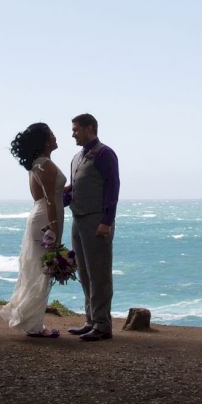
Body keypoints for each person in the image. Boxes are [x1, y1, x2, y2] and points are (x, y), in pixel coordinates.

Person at [0, 122, 67, 338]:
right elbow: (49, 200)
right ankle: (34, 325)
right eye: (51, 135)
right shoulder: (44, 164)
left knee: (39, 269)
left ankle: (31, 319)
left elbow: (52, 195)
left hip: (42, 216)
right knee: (42, 271)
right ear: (45, 141)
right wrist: (54, 229)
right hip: (46, 219)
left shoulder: (38, 164)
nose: (56, 137)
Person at [62, 113, 120, 341]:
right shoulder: (77, 157)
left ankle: (103, 325)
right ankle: (90, 320)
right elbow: (75, 189)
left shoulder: (105, 154)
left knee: (99, 273)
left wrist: (106, 221)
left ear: (90, 128)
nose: (73, 133)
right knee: (84, 273)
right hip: (78, 219)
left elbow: (112, 188)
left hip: (97, 220)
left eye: (76, 129)